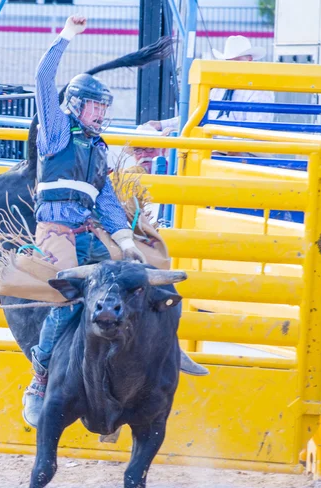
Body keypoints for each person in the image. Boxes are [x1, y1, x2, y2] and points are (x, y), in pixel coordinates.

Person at [23, 15, 205, 428]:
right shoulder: (57, 133)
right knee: (68, 300)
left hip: (91, 232)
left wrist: (125, 243)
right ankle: (40, 376)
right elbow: (42, 76)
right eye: (95, 106)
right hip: (55, 233)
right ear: (76, 105)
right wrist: (68, 35)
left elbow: (105, 203)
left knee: (146, 273)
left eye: (104, 107)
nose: (101, 113)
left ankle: (167, 350)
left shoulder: (99, 150)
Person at [148, 35, 275, 133]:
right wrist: (163, 124)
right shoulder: (218, 88)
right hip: (216, 146)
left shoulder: (260, 90)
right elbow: (197, 115)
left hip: (241, 151)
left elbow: (256, 130)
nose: (232, 66)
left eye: (237, 61)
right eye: (229, 62)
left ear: (249, 60)